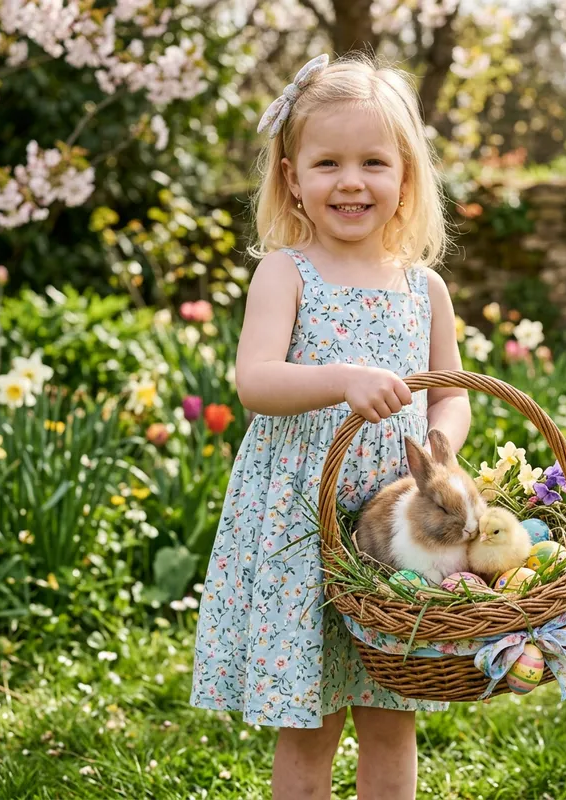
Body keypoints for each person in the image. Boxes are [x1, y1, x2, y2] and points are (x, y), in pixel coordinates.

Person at [190, 51, 471, 800]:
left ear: (406, 177)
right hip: (302, 525)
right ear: (292, 178)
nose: (351, 181)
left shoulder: (424, 288)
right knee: (310, 719)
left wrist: (444, 452)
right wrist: (341, 382)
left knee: (392, 709)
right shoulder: (286, 273)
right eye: (327, 163)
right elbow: (256, 381)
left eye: (374, 161)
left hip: (393, 528)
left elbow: (451, 392)